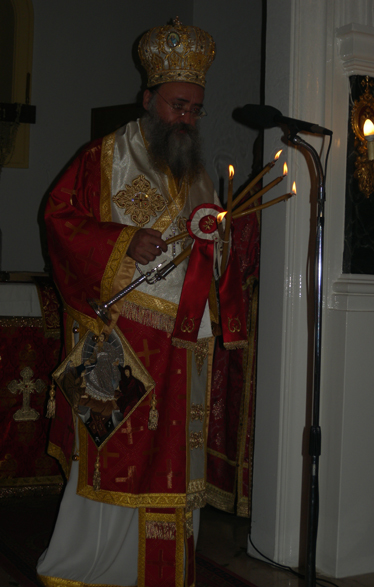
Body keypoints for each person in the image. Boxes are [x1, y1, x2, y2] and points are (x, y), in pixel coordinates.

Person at [37, 18, 223, 587]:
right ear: (148, 99)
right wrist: (121, 242)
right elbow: (58, 220)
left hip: (182, 341)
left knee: (171, 463)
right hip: (122, 341)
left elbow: (208, 250)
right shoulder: (104, 156)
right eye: (177, 105)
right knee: (114, 456)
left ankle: (163, 572)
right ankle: (93, 568)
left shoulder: (198, 173)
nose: (186, 118)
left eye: (195, 109)